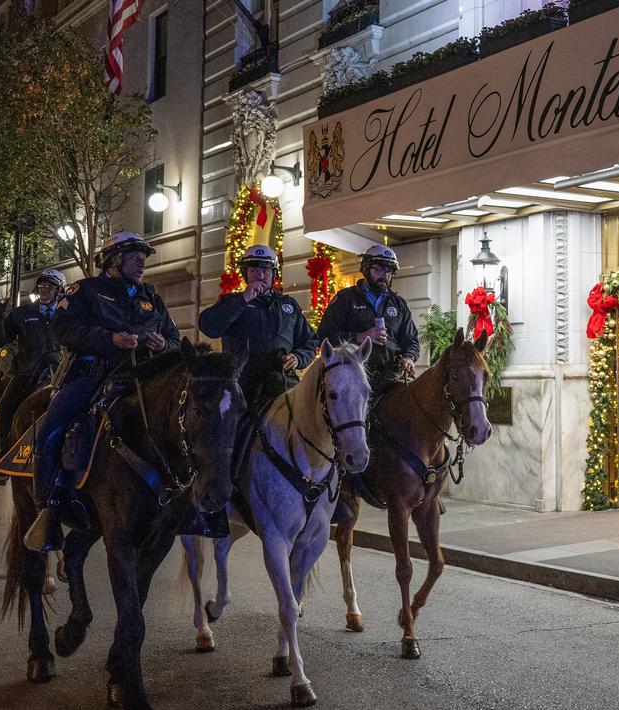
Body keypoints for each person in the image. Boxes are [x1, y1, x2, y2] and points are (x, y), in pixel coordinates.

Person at [27, 232, 179, 552]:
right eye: (135, 256)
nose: (142, 262)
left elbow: (174, 341)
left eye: (143, 257)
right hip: (91, 373)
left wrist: (163, 345)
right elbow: (64, 329)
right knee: (50, 429)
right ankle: (49, 506)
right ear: (113, 260)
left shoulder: (151, 297)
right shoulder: (86, 290)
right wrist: (110, 339)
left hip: (141, 377)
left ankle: (184, 498)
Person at [198, 244, 315, 398]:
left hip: (282, 383)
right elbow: (209, 327)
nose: (260, 276)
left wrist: (298, 358)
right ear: (246, 274)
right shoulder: (231, 301)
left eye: (265, 271)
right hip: (242, 384)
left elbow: (311, 341)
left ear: (274, 274)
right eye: (254, 271)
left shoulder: (288, 305)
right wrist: (243, 300)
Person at [315, 244, 418, 394]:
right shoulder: (346, 298)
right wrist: (359, 337)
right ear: (365, 269)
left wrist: (409, 357)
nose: (384, 275)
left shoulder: (399, 304)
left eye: (389, 270)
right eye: (378, 269)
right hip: (352, 376)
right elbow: (324, 335)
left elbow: (411, 340)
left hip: (391, 378)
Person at [0, 268, 64, 462]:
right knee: (4, 407)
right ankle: (2, 455)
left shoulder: (68, 314)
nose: (44, 290)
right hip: (27, 373)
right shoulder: (22, 313)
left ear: (59, 290)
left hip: (62, 371)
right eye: (42, 286)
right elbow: (0, 340)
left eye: (50, 286)